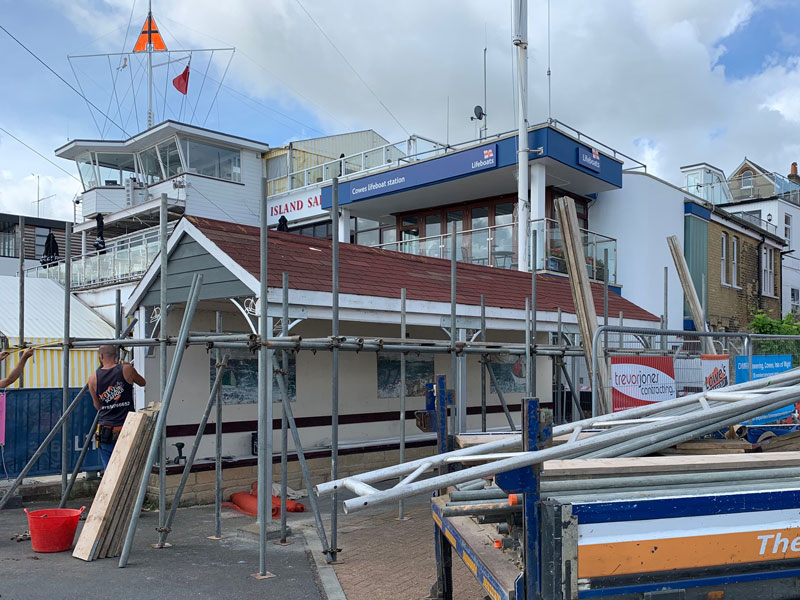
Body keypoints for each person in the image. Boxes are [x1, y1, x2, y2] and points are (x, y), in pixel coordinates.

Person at [88, 345, 146, 469]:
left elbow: (97, 405)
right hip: (126, 426)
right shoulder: (126, 369)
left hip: (106, 428)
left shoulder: (93, 378)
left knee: (109, 470)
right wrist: (129, 368)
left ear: (101, 356)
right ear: (116, 355)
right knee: (127, 467)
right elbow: (142, 382)